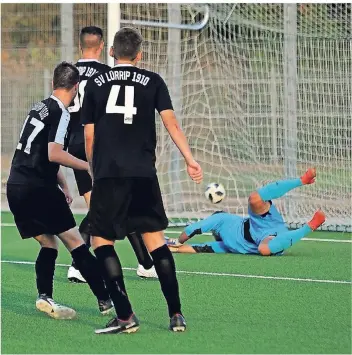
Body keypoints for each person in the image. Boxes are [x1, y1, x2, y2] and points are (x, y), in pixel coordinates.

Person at [82, 27, 203, 334]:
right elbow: (171, 123)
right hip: (143, 173)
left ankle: (125, 315)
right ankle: (176, 314)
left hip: (109, 173)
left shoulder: (95, 83)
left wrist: (94, 170)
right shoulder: (153, 81)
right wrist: (190, 160)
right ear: (139, 55)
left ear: (111, 52)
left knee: (101, 241)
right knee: (155, 242)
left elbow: (89, 134)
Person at [6, 62, 113, 320]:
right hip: (38, 188)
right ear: (76, 88)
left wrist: (64, 185)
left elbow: (41, 152)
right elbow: (54, 153)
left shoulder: (39, 107)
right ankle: (105, 301)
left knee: (48, 243)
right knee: (76, 242)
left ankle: (45, 296)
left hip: (16, 186)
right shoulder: (62, 113)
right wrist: (89, 167)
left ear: (55, 82)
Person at [67, 26, 157, 283]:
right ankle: (79, 265)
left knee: (108, 206)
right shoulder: (106, 76)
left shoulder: (68, 72)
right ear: (104, 47)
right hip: (98, 147)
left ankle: (145, 262)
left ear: (80, 45)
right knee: (107, 206)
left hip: (72, 147)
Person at [166, 168, 326, 256]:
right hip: (268, 239)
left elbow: (190, 230)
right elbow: (197, 248)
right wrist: (170, 248)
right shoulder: (224, 245)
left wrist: (177, 242)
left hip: (261, 223)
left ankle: (301, 180)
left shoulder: (221, 219)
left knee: (255, 199)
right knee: (264, 249)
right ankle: (309, 227)